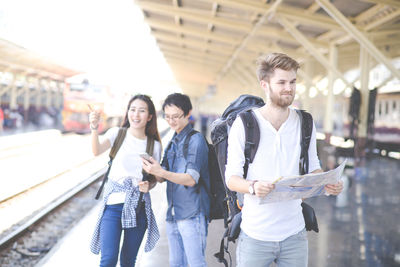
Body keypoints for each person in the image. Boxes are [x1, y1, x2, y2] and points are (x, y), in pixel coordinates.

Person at [225, 53, 343, 267]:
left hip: (294, 235)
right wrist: (252, 186)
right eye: (281, 82)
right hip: (255, 236)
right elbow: (231, 179)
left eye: (293, 81)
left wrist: (327, 183)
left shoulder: (305, 122)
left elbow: (313, 167)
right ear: (265, 84)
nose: (289, 88)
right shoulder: (244, 124)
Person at [89, 94, 162, 267]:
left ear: (150, 116)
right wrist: (94, 127)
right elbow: (96, 150)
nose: (136, 115)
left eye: (142, 111)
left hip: (139, 208)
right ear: (127, 112)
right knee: (108, 260)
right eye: (133, 109)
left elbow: (155, 178)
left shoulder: (154, 145)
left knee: (128, 262)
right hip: (112, 208)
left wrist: (148, 186)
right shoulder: (117, 134)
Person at [142, 93, 210, 267]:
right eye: (167, 117)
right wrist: (152, 168)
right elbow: (161, 177)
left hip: (192, 214)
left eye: (176, 116)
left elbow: (191, 179)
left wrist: (162, 172)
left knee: (195, 263)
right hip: (173, 214)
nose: (171, 121)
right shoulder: (173, 141)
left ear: (188, 113)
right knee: (176, 264)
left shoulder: (196, 140)